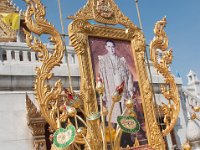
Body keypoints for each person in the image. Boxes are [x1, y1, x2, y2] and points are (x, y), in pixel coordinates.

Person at [98, 40, 134, 123]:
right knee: (113, 114)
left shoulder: (121, 60)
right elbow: (101, 76)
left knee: (124, 114)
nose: (111, 49)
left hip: (122, 88)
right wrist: (103, 93)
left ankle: (125, 127)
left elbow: (129, 75)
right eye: (109, 47)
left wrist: (130, 89)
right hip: (110, 89)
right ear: (106, 47)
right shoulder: (103, 60)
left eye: (113, 47)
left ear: (115, 47)